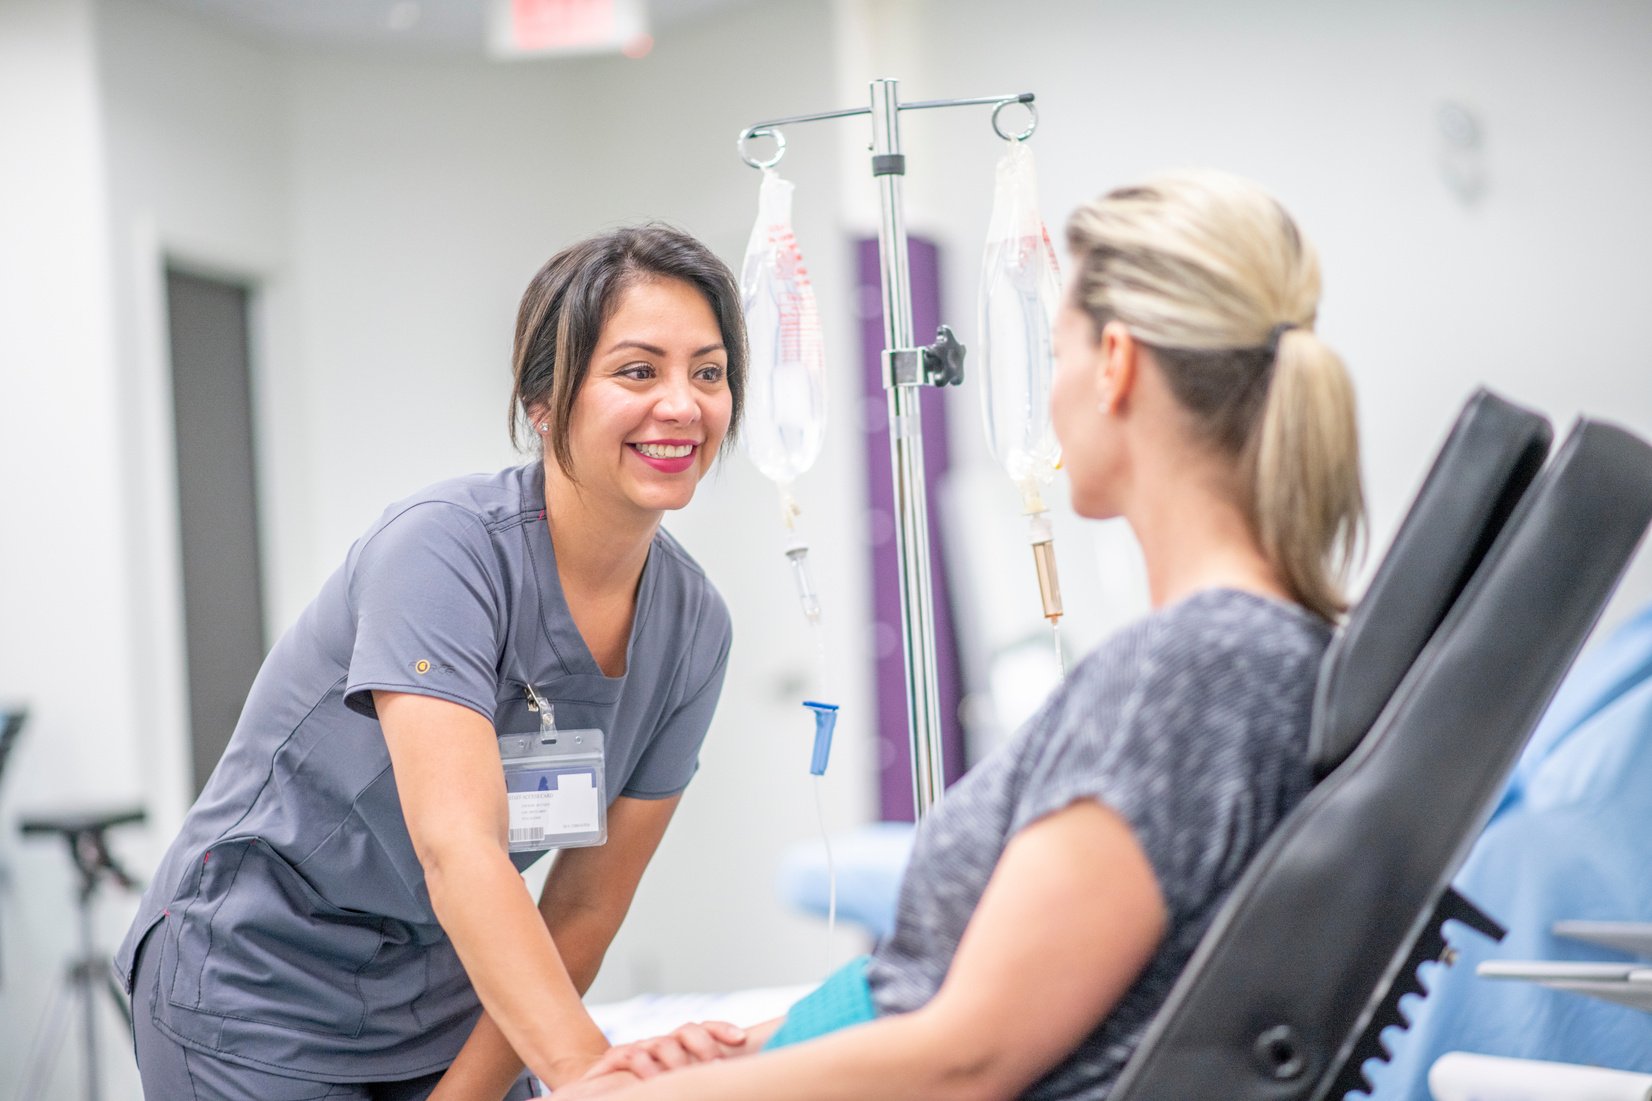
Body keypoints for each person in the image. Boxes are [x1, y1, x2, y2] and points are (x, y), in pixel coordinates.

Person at [557, 169, 1367, 1100]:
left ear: (1116, 364)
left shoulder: (1198, 668)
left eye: (1055, 352)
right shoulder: (1241, 650)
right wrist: (745, 1046)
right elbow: (938, 997)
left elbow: (966, 1058)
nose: (1050, 399)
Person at [115, 225, 749, 1100]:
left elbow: (584, 909)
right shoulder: (442, 551)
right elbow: (461, 849)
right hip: (256, 984)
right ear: (543, 402)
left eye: (707, 372)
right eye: (638, 371)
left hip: (442, 989)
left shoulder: (693, 626)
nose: (682, 404)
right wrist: (587, 1075)